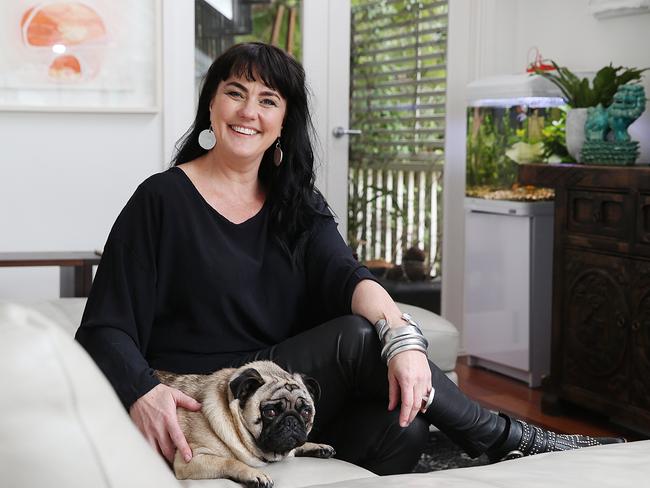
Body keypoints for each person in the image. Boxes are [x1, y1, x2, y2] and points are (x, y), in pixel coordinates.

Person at [75, 42, 622, 475]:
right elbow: (103, 327)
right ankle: (505, 438)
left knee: (402, 419)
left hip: (282, 396)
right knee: (357, 338)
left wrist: (402, 340)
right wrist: (144, 392)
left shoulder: (296, 203)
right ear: (211, 105)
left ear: (284, 120)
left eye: (268, 100)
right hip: (208, 397)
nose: (248, 112)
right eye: (235, 93)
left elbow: (348, 277)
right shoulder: (162, 198)